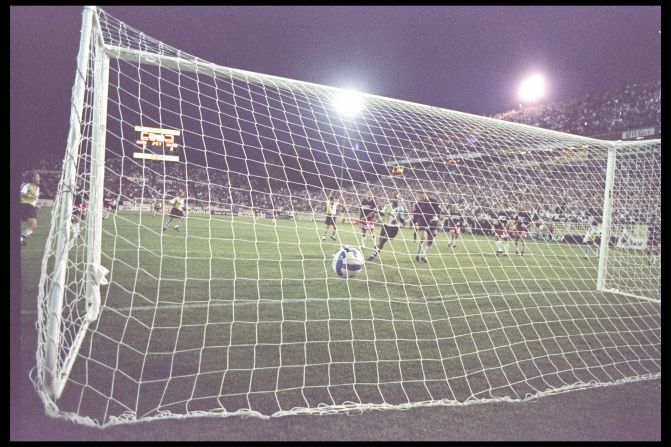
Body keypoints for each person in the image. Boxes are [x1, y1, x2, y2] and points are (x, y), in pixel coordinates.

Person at [412, 195, 441, 263]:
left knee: (430, 241)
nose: (421, 196)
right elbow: (416, 213)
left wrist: (438, 218)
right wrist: (415, 222)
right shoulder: (419, 204)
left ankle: (423, 256)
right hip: (423, 222)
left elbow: (438, 212)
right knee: (422, 239)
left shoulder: (434, 202)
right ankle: (418, 254)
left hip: (432, 223)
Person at [20, 171, 41, 246]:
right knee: (32, 226)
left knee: (31, 226)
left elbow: (34, 199)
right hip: (25, 206)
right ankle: (20, 238)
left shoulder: (37, 187)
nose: (39, 179)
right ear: (33, 178)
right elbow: (22, 193)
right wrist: (31, 196)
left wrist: (35, 205)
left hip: (30, 207)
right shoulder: (27, 185)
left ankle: (21, 239)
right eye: (38, 177)